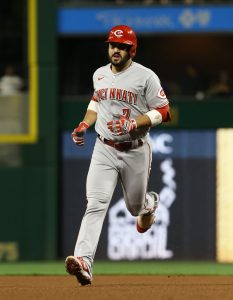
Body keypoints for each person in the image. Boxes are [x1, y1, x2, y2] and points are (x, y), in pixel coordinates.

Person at [65, 25, 171, 286]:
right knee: (96, 203)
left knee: (134, 208)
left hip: (135, 149)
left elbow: (164, 112)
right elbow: (95, 102)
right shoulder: (99, 74)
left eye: (122, 46)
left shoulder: (146, 77)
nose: (116, 49)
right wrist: (84, 124)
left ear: (131, 50)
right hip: (104, 148)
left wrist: (134, 123)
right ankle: (84, 262)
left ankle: (148, 203)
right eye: (113, 45)